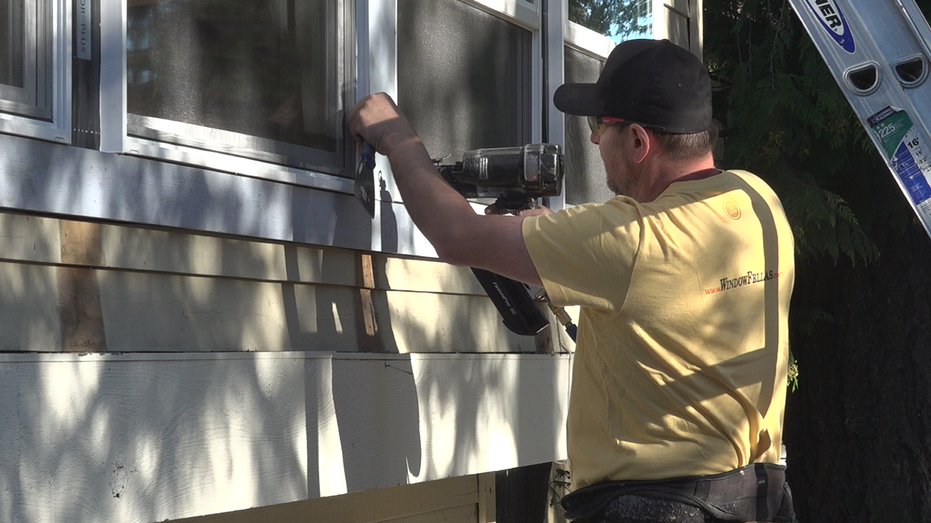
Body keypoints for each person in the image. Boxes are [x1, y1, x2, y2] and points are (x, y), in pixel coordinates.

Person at [347, 39, 796, 523]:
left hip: (660, 508)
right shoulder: (757, 201)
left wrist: (396, 138)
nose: (594, 141)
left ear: (640, 142)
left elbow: (457, 237)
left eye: (599, 127)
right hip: (756, 499)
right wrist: (550, 241)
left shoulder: (629, 242)